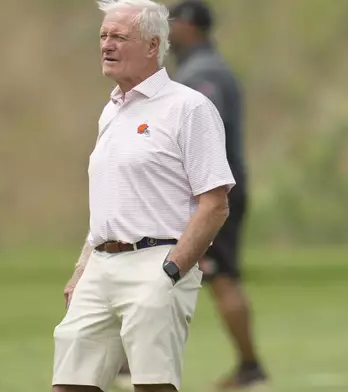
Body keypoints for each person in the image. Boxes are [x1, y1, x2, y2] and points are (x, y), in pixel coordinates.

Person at [51, 0, 236, 391]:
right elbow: (109, 203)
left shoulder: (189, 108)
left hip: (157, 262)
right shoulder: (112, 110)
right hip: (101, 266)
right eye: (103, 36)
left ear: (152, 45)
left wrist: (170, 271)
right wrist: (82, 269)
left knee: (152, 385)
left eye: (119, 37)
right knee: (69, 384)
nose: (106, 45)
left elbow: (215, 204)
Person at [115, 1, 269, 390]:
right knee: (171, 268)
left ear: (189, 27)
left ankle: (250, 368)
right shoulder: (200, 68)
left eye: (171, 25)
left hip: (209, 196)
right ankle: (134, 359)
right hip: (204, 193)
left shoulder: (204, 74)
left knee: (214, 275)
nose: (164, 33)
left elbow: (194, 131)